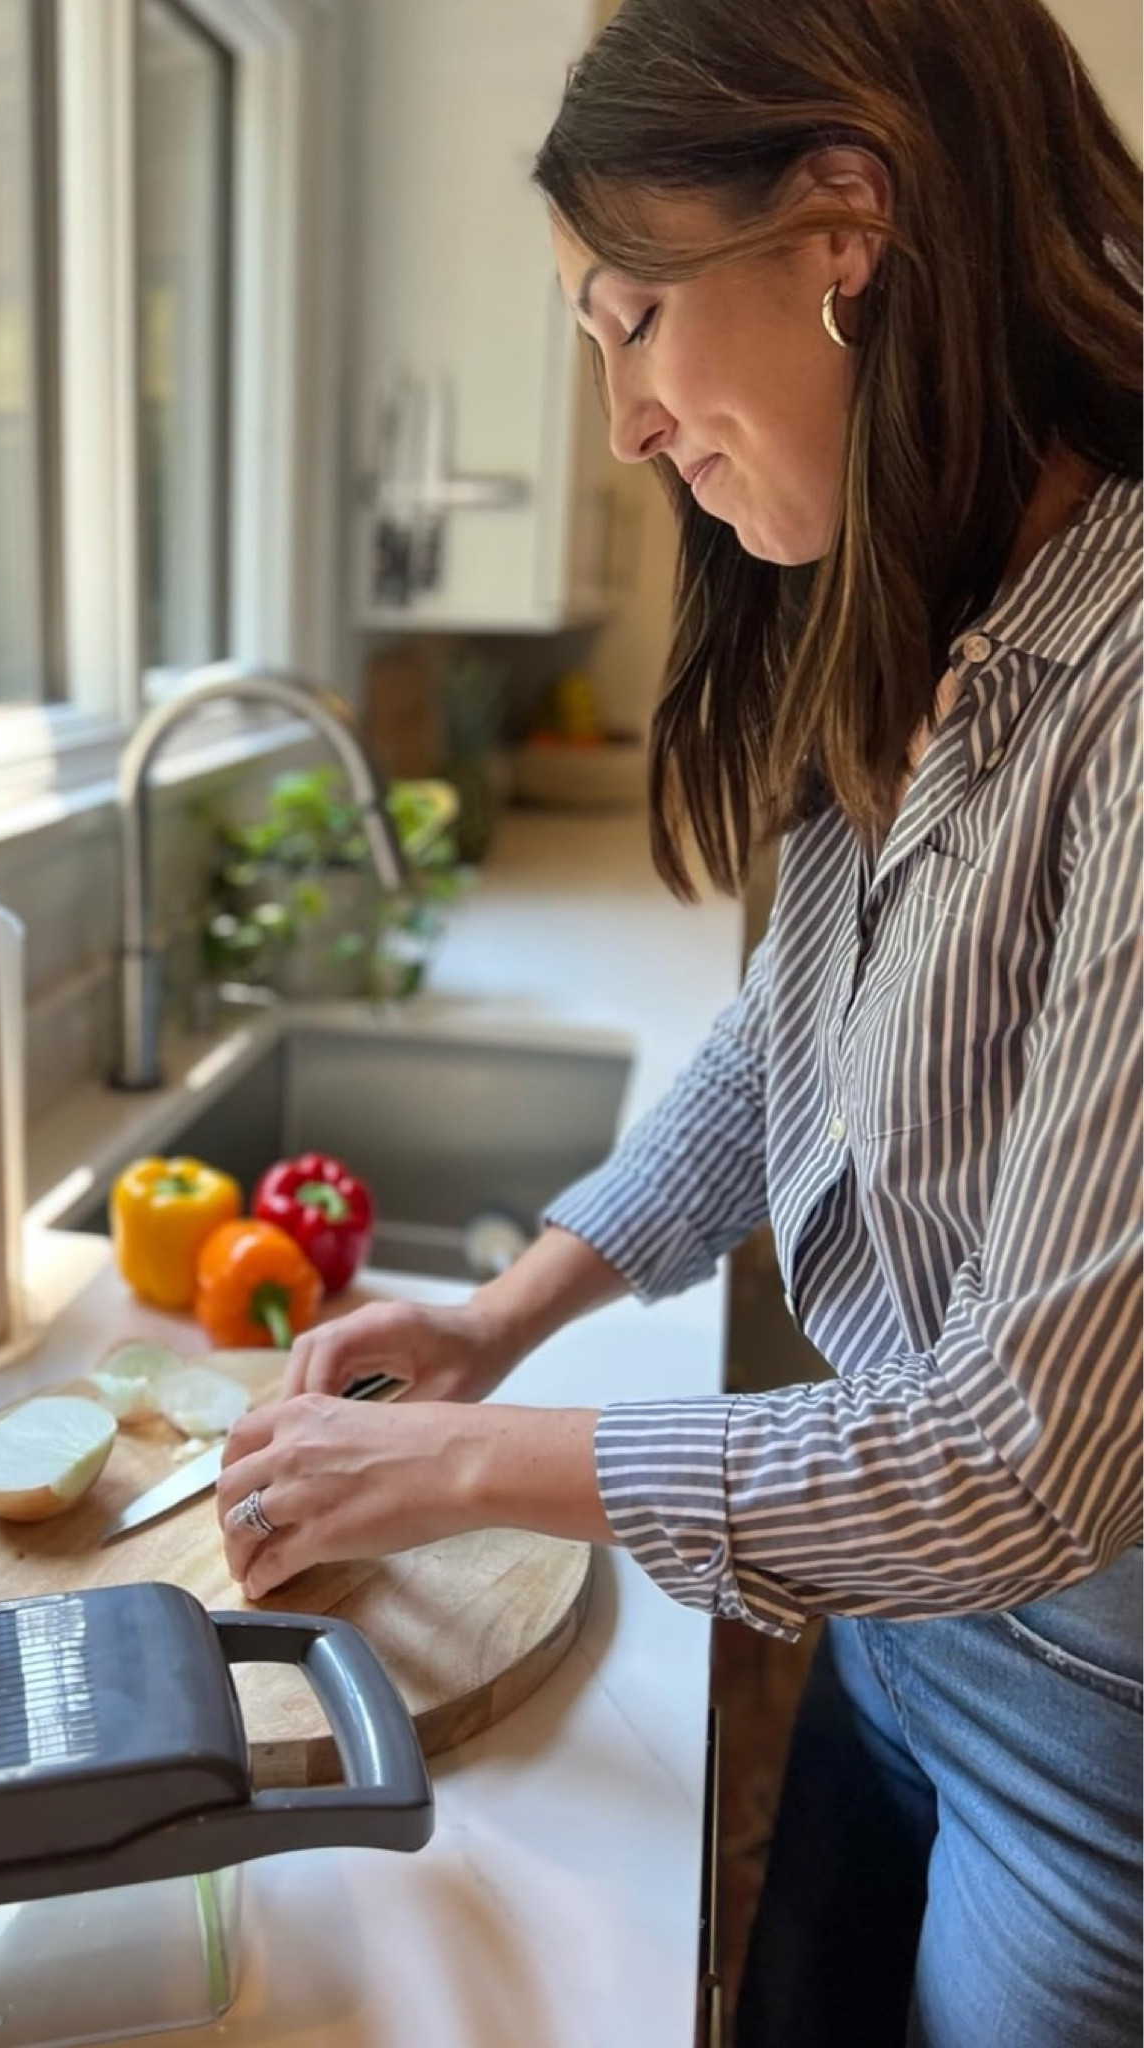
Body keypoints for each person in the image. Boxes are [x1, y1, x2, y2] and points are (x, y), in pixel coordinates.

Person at [214, 1, 1143, 2042]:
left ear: (841, 225)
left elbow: (1028, 1458)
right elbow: (785, 1045)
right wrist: (501, 1313)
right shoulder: (918, 606)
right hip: (892, 1629)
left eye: (631, 319)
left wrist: (468, 1465)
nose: (623, 421)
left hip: (1104, 1743)